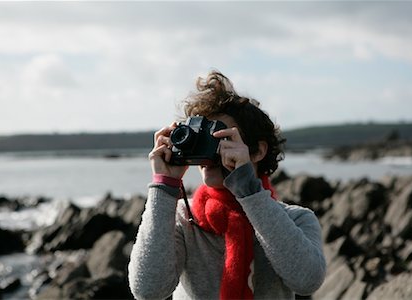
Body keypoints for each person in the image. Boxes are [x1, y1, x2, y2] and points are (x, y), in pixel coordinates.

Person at [128, 71, 326, 299]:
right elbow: (148, 290)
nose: (209, 149)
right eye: (202, 137)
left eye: (219, 137)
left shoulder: (296, 219)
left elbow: (307, 281)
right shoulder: (183, 218)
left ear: (258, 151)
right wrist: (164, 186)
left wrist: (246, 186)